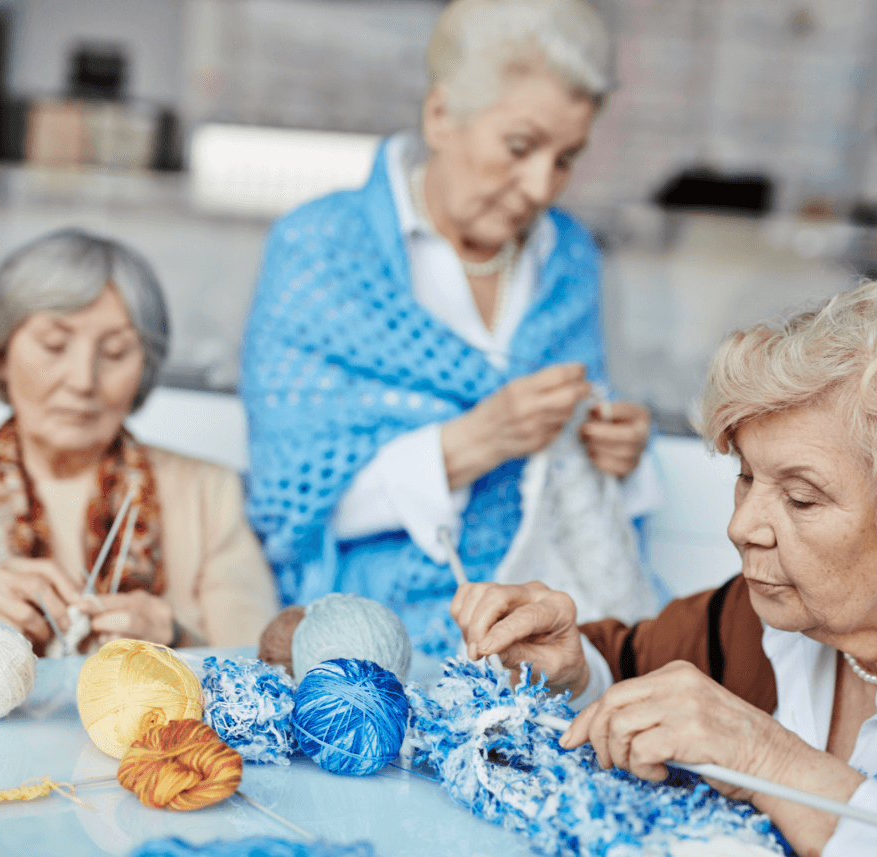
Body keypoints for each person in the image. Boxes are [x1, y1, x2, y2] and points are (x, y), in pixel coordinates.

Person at [451, 279, 877, 856]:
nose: (742, 528)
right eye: (746, 478)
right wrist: (570, 670)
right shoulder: (751, 614)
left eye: (801, 498)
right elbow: (632, 664)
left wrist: (765, 757)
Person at [241, 0, 659, 656]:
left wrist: (622, 454)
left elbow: (588, 500)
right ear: (441, 116)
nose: (541, 185)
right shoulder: (321, 247)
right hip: (382, 634)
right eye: (521, 147)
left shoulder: (570, 258)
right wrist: (475, 440)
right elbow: (292, 508)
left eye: (566, 158)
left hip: (552, 634)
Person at [0, 229, 279, 655]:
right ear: (0, 354)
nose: (83, 380)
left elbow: (265, 673)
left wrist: (176, 642)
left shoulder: (209, 495)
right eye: (54, 344)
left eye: (117, 352)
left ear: (145, 367)